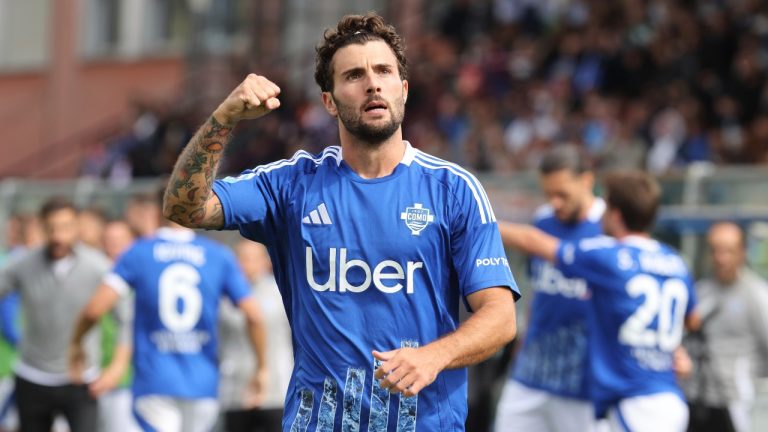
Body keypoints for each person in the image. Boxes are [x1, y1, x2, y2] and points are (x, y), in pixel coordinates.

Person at [163, 12, 519, 431]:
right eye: (353, 75)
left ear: (402, 89)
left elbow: (500, 318)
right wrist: (223, 119)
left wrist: (433, 355)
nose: (372, 83)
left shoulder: (453, 189)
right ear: (329, 101)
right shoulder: (291, 185)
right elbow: (185, 208)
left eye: (384, 71)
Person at [498, 169, 699, 432]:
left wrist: (472, 219)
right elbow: (692, 319)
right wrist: (667, 347)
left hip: (634, 400)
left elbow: (535, 242)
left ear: (615, 215)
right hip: (667, 395)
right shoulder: (675, 261)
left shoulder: (609, 257)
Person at [69, 203, 268, 432]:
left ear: (158, 212)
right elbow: (254, 316)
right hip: (202, 384)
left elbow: (94, 310)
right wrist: (262, 367)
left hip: (155, 382)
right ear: (198, 212)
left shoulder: (139, 252)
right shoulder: (218, 255)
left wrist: (76, 343)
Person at [494, 145, 605, 432]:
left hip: (584, 380)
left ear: (587, 181)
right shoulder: (544, 219)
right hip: (532, 371)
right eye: (548, 194)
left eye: (562, 194)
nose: (555, 202)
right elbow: (538, 289)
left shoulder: (608, 228)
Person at [0, 198, 111, 432]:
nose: (58, 236)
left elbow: (127, 316)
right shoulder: (23, 263)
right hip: (33, 376)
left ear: (77, 226)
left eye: (65, 227)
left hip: (81, 378)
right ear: (42, 227)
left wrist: (116, 367)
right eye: (52, 228)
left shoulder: (97, 266)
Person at [682, 222, 768, 432]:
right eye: (715, 251)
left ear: (742, 252)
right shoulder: (700, 291)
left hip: (737, 402)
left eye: (728, 251)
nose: (721, 258)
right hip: (696, 397)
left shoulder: (757, 295)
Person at [217, 240, 293, 432]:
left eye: (251, 258)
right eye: (241, 259)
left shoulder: (282, 294)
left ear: (266, 262)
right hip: (234, 390)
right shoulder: (223, 298)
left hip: (276, 389)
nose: (246, 264)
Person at [97, 218, 142, 432]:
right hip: (92, 375)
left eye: (120, 240)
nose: (114, 246)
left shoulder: (143, 281)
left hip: (129, 381)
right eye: (108, 240)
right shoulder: (96, 279)